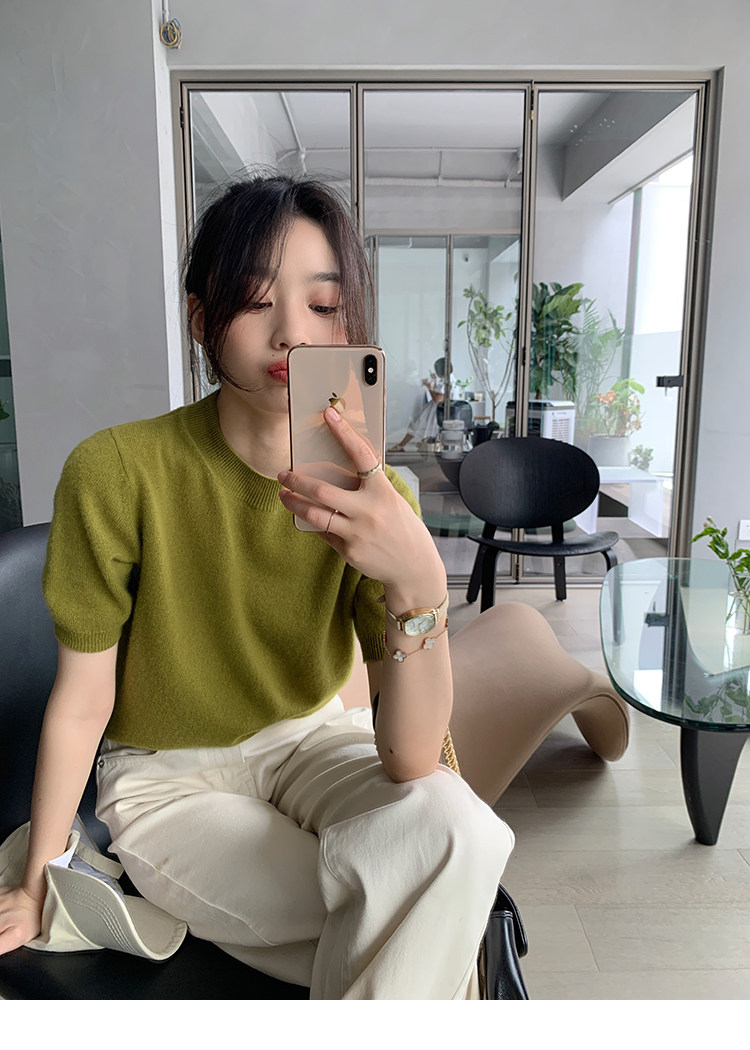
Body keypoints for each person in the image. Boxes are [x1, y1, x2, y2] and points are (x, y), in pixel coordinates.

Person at [0, 173, 513, 999]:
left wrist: (419, 580)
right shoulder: (118, 471)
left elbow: (413, 759)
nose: (291, 334)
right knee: (415, 905)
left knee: (461, 836)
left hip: (317, 743)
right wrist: (39, 877)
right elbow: (83, 700)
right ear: (201, 318)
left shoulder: (378, 499)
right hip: (169, 782)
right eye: (253, 300)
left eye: (323, 304)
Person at [388, 358, 447, 452]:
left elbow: (437, 399)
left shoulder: (446, 382)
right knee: (417, 425)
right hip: (434, 409)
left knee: (419, 425)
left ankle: (403, 445)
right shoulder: (446, 380)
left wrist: (429, 387)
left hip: (435, 410)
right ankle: (402, 445)